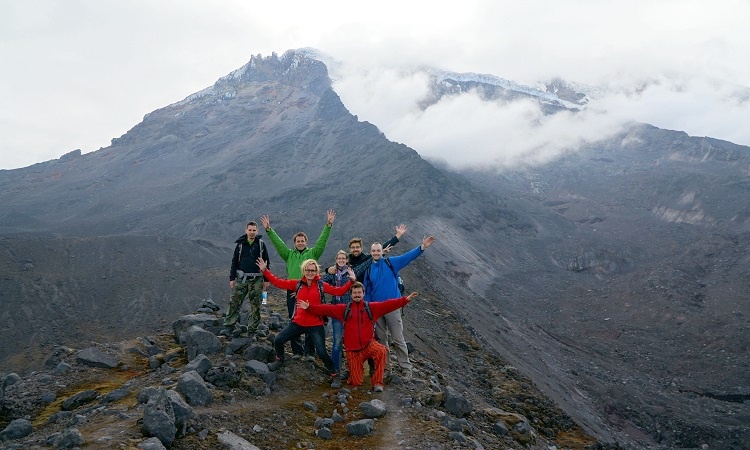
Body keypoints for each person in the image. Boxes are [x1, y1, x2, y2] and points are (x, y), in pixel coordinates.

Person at [299, 281, 419, 392]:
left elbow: (388, 305)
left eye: (359, 292)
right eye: (354, 293)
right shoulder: (344, 309)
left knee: (381, 350)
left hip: (369, 345)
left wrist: (405, 300)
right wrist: (309, 307)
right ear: (351, 295)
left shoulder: (371, 307)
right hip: (353, 351)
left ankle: (378, 382)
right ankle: (353, 372)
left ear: (363, 293)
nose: (357, 295)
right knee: (356, 382)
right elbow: (326, 309)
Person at [257, 257, 354, 381]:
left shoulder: (321, 285)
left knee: (322, 352)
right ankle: (279, 360)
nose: (310, 272)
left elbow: (339, 292)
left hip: (315, 324)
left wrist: (351, 282)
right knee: (278, 340)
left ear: (316, 272)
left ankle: (335, 374)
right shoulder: (296, 284)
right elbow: (278, 282)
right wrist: (265, 271)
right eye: (308, 270)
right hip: (298, 323)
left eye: (313, 270)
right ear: (304, 271)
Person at [261, 210, 335, 358]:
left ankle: (309, 351)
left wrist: (328, 226)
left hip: (312, 291)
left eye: (303, 241)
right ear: (294, 243)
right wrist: (269, 230)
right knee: (294, 320)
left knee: (312, 319)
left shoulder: (313, 253)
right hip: (294, 291)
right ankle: (297, 351)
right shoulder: (288, 254)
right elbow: (279, 244)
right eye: (298, 241)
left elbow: (322, 242)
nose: (300, 243)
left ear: (306, 242)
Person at [365, 235, 436, 381]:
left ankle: (406, 369)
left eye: (378, 251)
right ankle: (385, 368)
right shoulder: (368, 269)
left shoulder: (391, 262)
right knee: (381, 341)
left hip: (392, 307)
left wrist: (422, 247)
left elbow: (407, 257)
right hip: (377, 309)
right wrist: (369, 309)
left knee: (398, 339)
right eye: (374, 251)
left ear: (382, 251)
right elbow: (368, 290)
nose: (376, 253)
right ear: (371, 252)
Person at [321, 250, 376, 385]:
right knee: (337, 342)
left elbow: (368, 261)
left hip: (351, 312)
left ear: (346, 260)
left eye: (343, 258)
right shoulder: (332, 274)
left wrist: (385, 248)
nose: (341, 260)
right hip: (337, 313)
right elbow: (319, 282)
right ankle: (336, 373)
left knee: (353, 342)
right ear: (336, 259)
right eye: (338, 258)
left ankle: (355, 369)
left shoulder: (353, 271)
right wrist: (300, 288)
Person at [221, 221, 270, 338]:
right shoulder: (240, 245)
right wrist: (232, 278)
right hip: (241, 279)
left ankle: (252, 330)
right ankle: (229, 326)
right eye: (250, 230)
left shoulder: (261, 245)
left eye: (254, 230)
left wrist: (266, 279)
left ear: (257, 231)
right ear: (246, 230)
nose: (252, 232)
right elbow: (234, 262)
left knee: (256, 305)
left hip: (257, 279)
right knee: (234, 302)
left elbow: (267, 262)